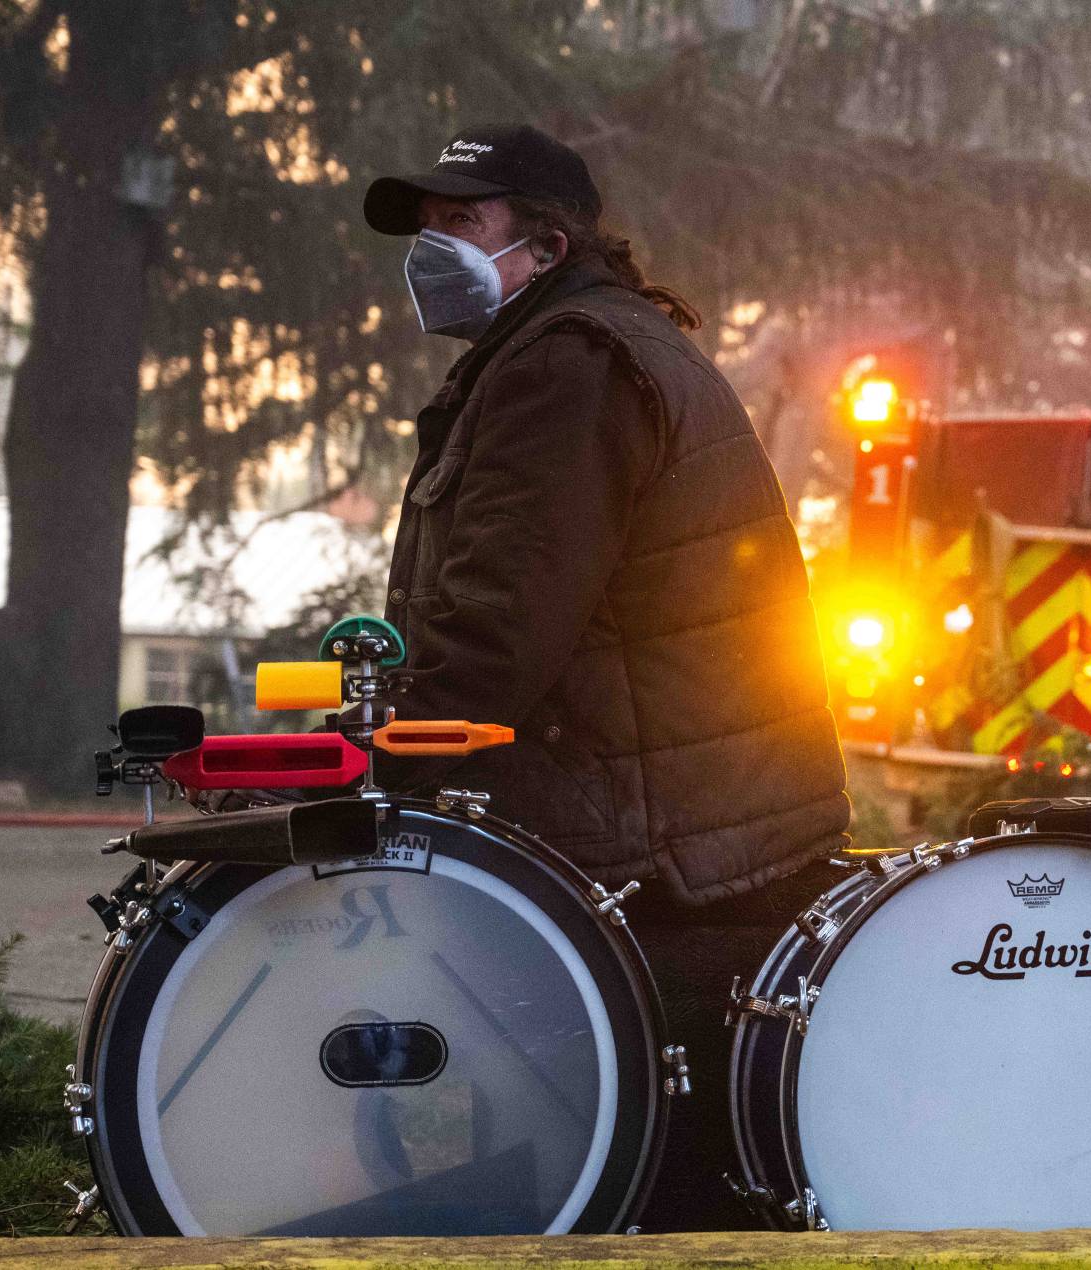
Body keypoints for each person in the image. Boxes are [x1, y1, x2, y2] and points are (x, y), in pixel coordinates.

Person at [362, 123, 850, 1230]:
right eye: (424, 225)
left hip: (646, 852)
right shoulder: (594, 343)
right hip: (696, 837)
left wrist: (382, 765)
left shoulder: (567, 364)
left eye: (460, 221)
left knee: (613, 1184)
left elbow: (499, 627)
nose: (430, 246)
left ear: (542, 241)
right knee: (644, 1171)